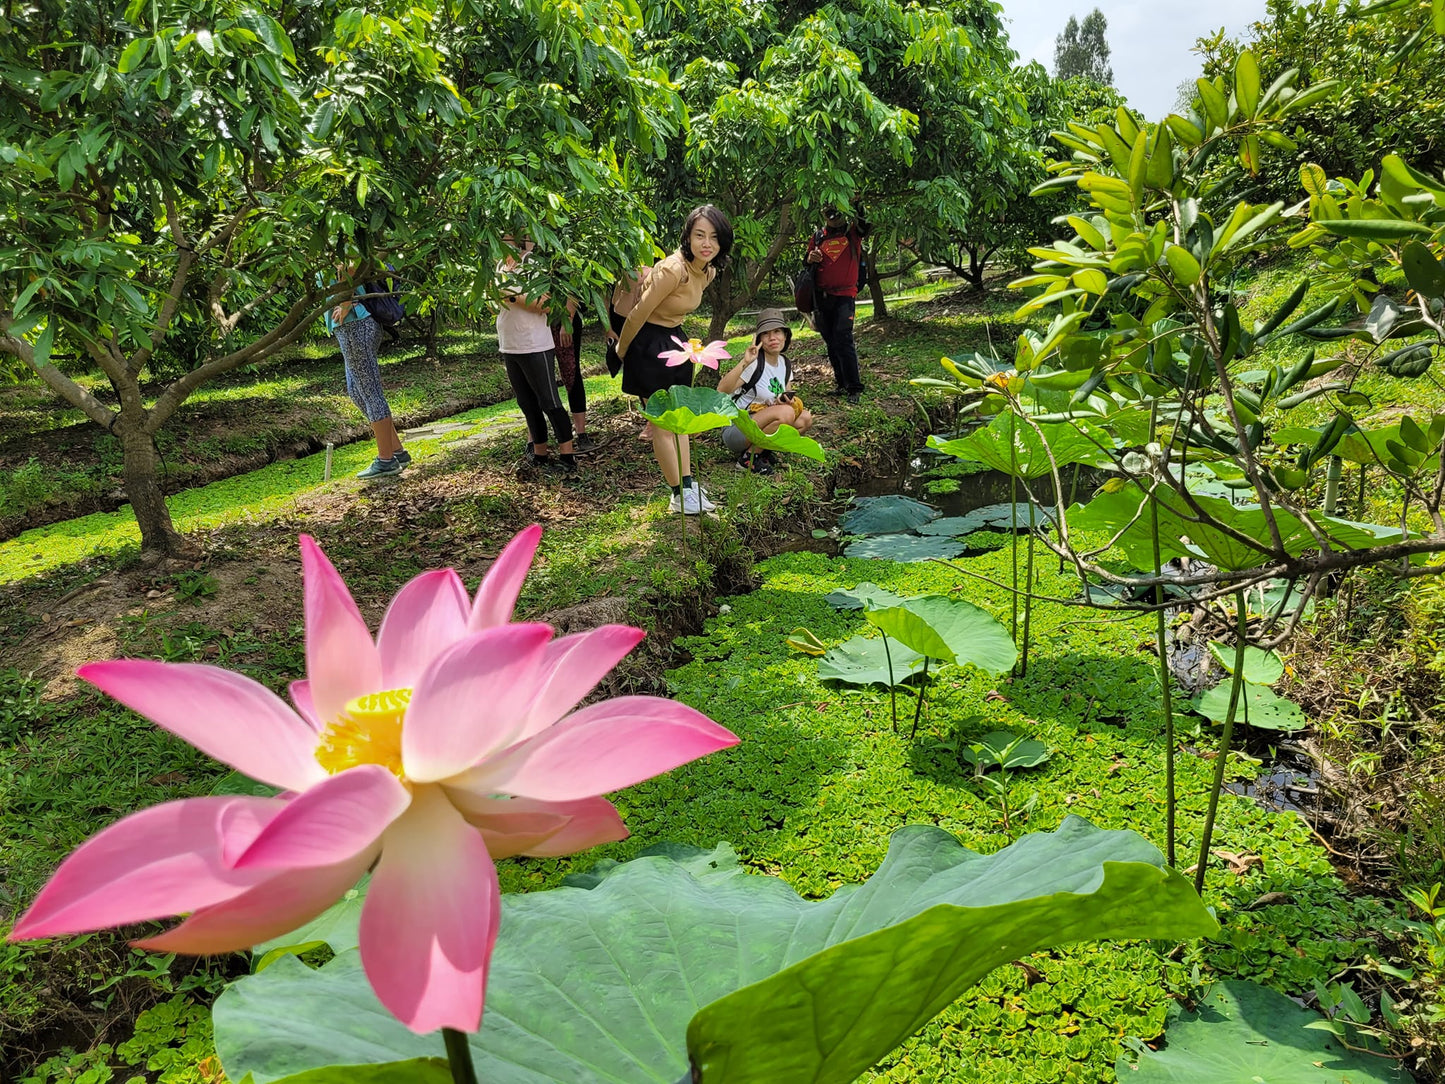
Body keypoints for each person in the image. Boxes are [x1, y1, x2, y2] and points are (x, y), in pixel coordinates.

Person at [614, 204, 734, 514]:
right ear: (688, 237)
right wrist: (622, 350)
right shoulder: (673, 269)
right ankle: (678, 494)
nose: (706, 243)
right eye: (699, 235)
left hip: (675, 340)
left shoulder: (708, 270)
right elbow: (639, 312)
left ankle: (688, 485)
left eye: (714, 237)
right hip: (646, 342)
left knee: (680, 420)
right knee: (663, 426)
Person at [321, 263, 409, 479]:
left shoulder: (334, 237)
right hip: (350, 327)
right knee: (357, 392)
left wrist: (346, 303)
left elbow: (350, 266)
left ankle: (386, 460)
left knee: (370, 393)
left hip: (355, 325)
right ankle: (397, 452)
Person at [496, 234, 576, 473]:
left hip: (535, 345)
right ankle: (540, 454)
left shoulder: (533, 265)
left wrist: (509, 293)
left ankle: (567, 457)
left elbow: (548, 305)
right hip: (509, 344)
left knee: (549, 401)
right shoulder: (500, 266)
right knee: (527, 403)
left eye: (506, 236)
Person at [717, 308, 813, 475]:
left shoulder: (785, 364)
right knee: (785, 414)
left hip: (762, 421)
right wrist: (745, 362)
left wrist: (785, 401)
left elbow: (785, 401)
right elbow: (722, 390)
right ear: (759, 339)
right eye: (766, 333)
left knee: (805, 419)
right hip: (737, 428)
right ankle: (748, 459)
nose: (772, 338)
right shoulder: (754, 363)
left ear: (785, 336)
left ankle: (762, 452)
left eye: (777, 331)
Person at [805, 204, 870, 403]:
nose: (833, 218)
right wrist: (810, 258)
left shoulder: (852, 233)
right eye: (829, 214)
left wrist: (858, 204)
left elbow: (864, 226)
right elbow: (806, 263)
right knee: (831, 342)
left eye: (836, 213)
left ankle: (854, 387)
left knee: (843, 339)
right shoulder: (818, 237)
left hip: (845, 296)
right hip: (822, 297)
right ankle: (841, 383)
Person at [551, 304, 596, 453]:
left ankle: (581, 433)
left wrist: (567, 321)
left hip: (564, 319)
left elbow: (573, 286)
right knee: (539, 377)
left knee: (571, 373)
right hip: (540, 321)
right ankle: (534, 438)